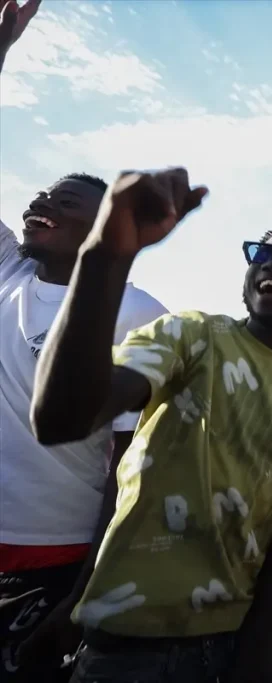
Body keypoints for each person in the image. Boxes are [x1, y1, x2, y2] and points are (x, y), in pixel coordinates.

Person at [28, 168, 272, 683]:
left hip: (235, 642)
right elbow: (61, 418)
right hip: (125, 641)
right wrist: (104, 258)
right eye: (261, 252)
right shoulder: (191, 335)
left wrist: (257, 643)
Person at [0, 171, 167, 682]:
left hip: (62, 555)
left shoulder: (134, 312)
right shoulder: (10, 274)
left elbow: (135, 465)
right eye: (42, 194)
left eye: (64, 200)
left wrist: (84, 590)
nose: (41, 202)